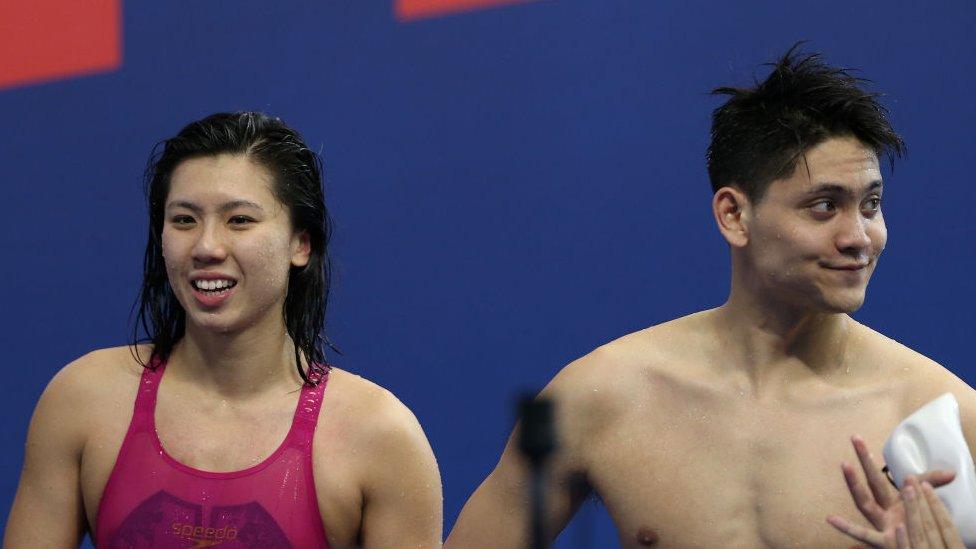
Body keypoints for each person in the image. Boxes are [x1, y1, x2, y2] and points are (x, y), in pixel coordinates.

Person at [445, 46, 976, 547]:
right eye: (823, 206)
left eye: (870, 204)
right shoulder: (602, 397)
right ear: (734, 215)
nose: (858, 237)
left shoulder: (942, 416)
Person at [5, 112, 442, 548]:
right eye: (184, 220)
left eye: (239, 220)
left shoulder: (380, 437)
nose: (206, 247)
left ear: (301, 243)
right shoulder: (83, 399)